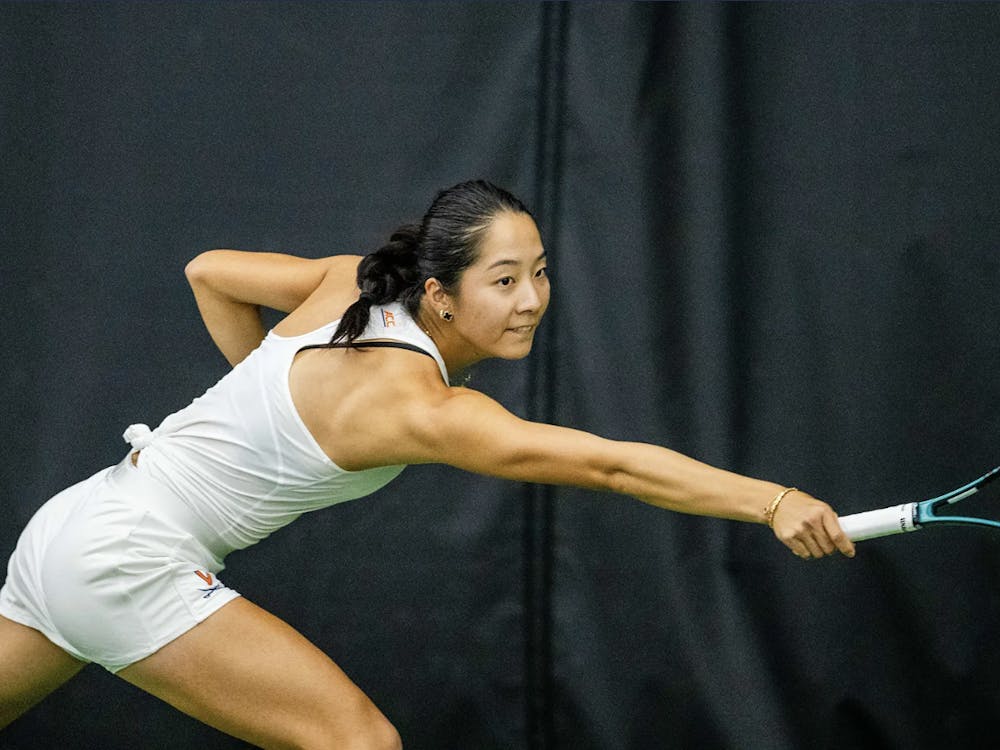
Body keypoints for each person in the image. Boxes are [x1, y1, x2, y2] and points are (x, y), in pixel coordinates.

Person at [0, 180, 855, 749]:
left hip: (75, 525)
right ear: (441, 293)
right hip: (125, 558)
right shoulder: (423, 409)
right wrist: (770, 500)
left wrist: (257, 395)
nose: (531, 301)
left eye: (541, 273)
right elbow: (610, 468)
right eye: (504, 280)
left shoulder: (345, 283)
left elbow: (208, 273)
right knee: (362, 744)